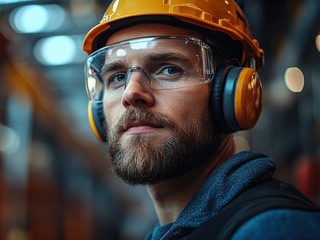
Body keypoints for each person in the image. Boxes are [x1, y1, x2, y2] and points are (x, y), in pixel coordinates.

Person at [82, 0, 320, 239]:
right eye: (117, 77)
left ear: (232, 93)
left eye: (169, 69)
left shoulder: (274, 230)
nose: (130, 93)